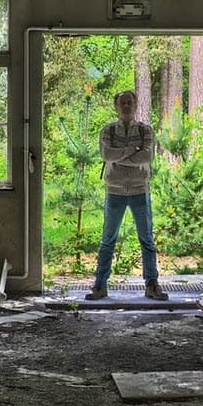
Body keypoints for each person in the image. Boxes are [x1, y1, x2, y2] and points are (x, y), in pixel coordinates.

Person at [86, 90, 168, 301]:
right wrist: (133, 150)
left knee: (147, 239)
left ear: (136, 105)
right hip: (115, 191)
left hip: (140, 190)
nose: (126, 106)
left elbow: (147, 156)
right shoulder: (107, 131)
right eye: (122, 103)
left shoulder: (145, 130)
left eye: (129, 102)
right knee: (107, 240)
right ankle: (100, 286)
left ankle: (151, 285)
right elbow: (106, 155)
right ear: (116, 106)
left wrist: (120, 155)